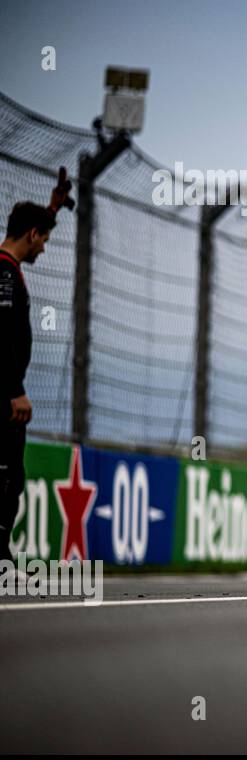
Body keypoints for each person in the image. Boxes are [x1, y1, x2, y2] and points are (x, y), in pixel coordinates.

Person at [0, 168, 72, 563]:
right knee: (7, 475)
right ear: (31, 236)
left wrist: (52, 208)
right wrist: (15, 390)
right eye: (43, 238)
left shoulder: (8, 271)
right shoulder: (5, 276)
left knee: (11, 475)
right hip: (4, 397)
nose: (44, 247)